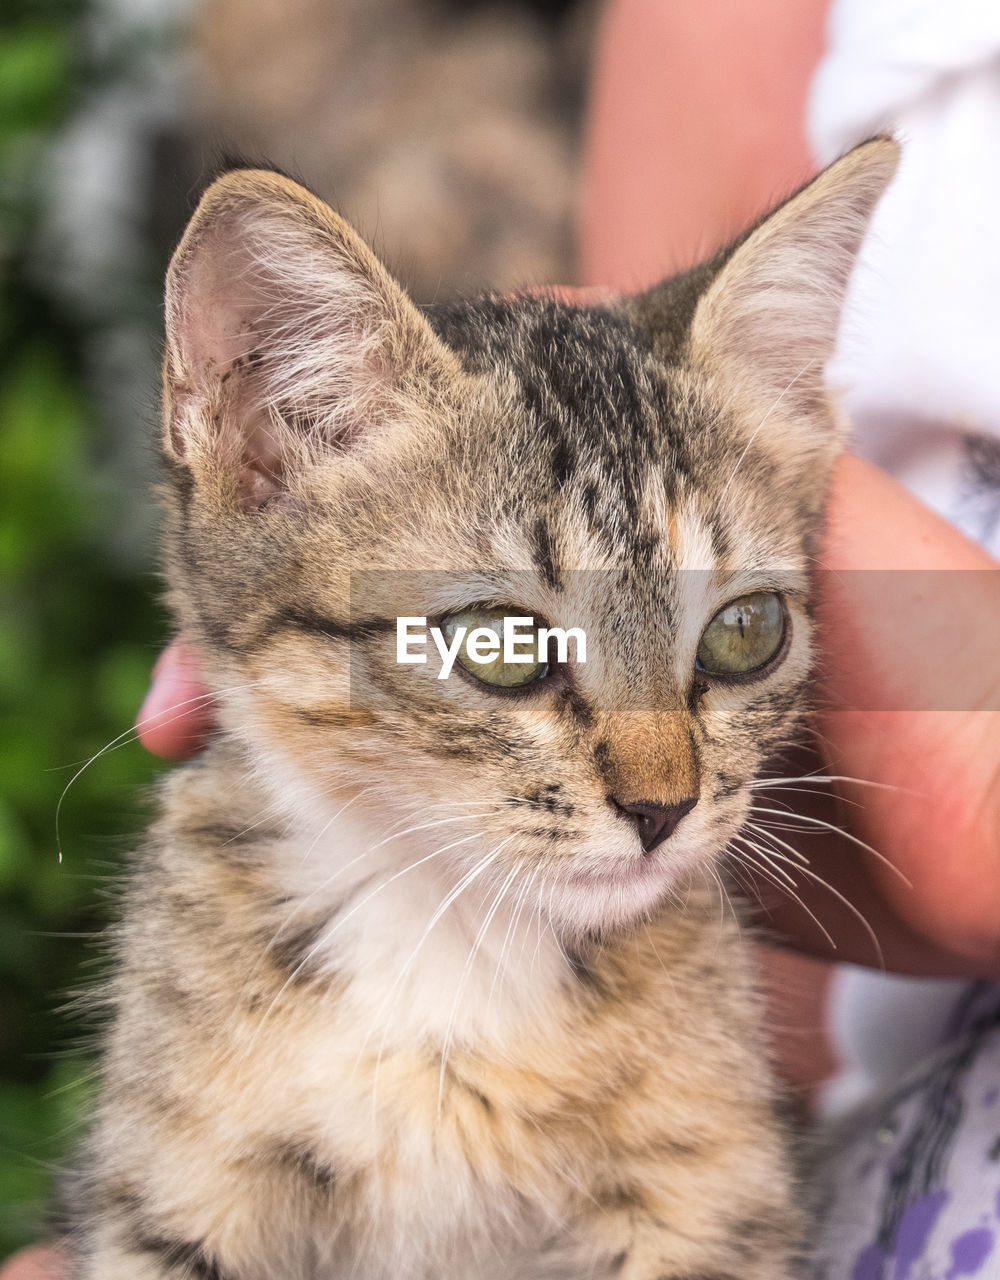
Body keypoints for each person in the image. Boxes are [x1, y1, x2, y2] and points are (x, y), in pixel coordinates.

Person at [6, 1, 999, 1276]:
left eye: (735, 635)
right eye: (511, 649)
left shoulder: (676, 977)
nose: (660, 781)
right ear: (264, 457)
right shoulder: (209, 963)